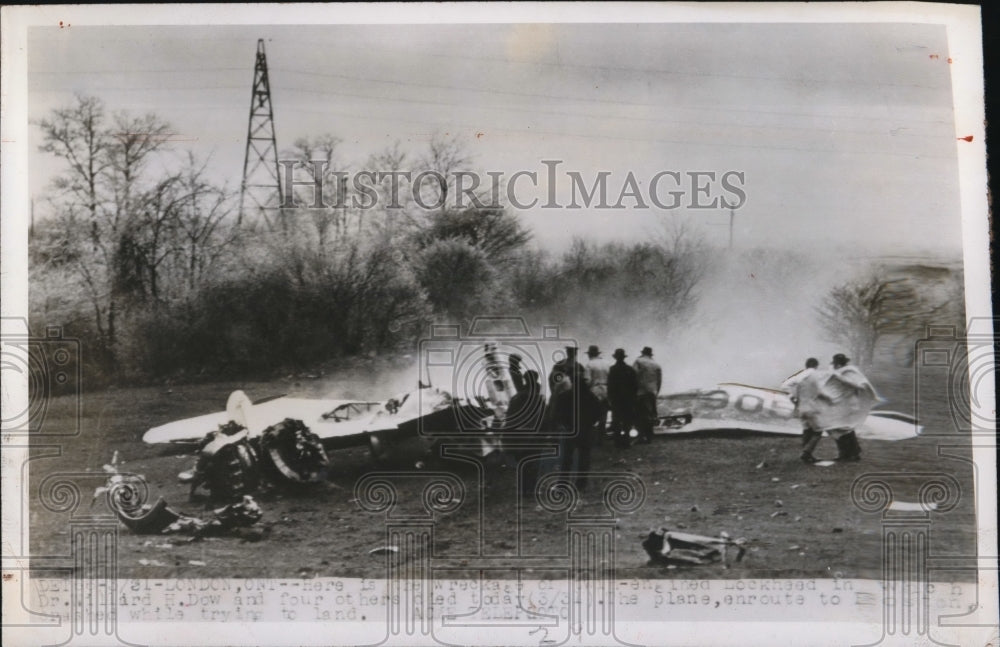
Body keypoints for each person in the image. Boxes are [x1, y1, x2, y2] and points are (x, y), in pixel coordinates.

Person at [824, 353, 870, 461]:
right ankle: (851, 452)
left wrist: (839, 378)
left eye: (836, 364)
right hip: (841, 403)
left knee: (841, 427)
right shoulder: (838, 373)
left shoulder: (849, 373)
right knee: (841, 428)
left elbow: (859, 386)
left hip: (848, 404)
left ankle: (848, 453)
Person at [781, 357, 822, 463]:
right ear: (816, 366)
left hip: (800, 407)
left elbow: (784, 385)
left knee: (807, 430)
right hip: (812, 407)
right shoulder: (817, 375)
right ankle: (806, 452)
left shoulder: (800, 375)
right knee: (818, 431)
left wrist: (793, 396)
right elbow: (821, 391)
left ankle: (807, 455)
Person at [607, 348, 638, 448]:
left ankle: (617, 441)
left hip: (616, 399)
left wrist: (610, 398)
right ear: (624, 357)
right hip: (628, 398)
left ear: (615, 357)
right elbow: (635, 385)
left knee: (616, 419)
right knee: (627, 420)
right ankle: (627, 441)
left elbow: (610, 386)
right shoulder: (630, 369)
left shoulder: (612, 369)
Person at [633, 346, 662, 443]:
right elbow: (659, 381)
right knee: (651, 413)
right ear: (650, 354)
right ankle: (649, 436)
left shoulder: (638, 361)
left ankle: (641, 436)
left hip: (641, 391)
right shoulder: (656, 364)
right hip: (652, 391)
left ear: (642, 353)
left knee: (639, 414)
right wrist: (656, 391)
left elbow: (633, 375)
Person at [584, 345, 610, 444]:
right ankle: (601, 438)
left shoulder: (589, 365)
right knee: (603, 415)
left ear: (590, 354)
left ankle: (591, 438)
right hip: (606, 390)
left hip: (594, 391)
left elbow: (587, 381)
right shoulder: (607, 364)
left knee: (591, 415)